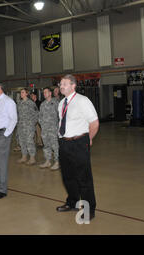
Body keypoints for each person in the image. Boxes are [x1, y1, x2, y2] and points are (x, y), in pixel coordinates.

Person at [56, 74, 99, 221]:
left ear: (73, 86)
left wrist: (88, 140)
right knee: (68, 177)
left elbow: (94, 123)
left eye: (64, 84)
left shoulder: (82, 101)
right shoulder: (61, 103)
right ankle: (72, 202)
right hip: (64, 143)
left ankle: (89, 209)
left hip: (79, 143)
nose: (61, 86)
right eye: (60, 84)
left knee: (84, 178)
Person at [38, 87, 60, 170]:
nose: (44, 94)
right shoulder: (42, 104)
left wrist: (57, 126)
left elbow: (60, 115)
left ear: (50, 93)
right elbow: (40, 116)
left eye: (46, 92)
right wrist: (43, 124)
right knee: (46, 145)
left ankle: (57, 162)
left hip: (53, 129)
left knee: (55, 146)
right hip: (45, 129)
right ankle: (47, 161)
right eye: (43, 92)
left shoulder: (55, 102)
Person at [17, 88, 39, 165]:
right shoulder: (19, 103)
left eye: (23, 92)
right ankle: (24, 156)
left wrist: (32, 123)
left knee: (29, 141)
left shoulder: (31, 103)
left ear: (26, 93)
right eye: (20, 92)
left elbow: (36, 114)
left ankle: (32, 158)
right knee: (22, 141)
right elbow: (18, 115)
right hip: (21, 126)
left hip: (29, 126)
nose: (21, 94)